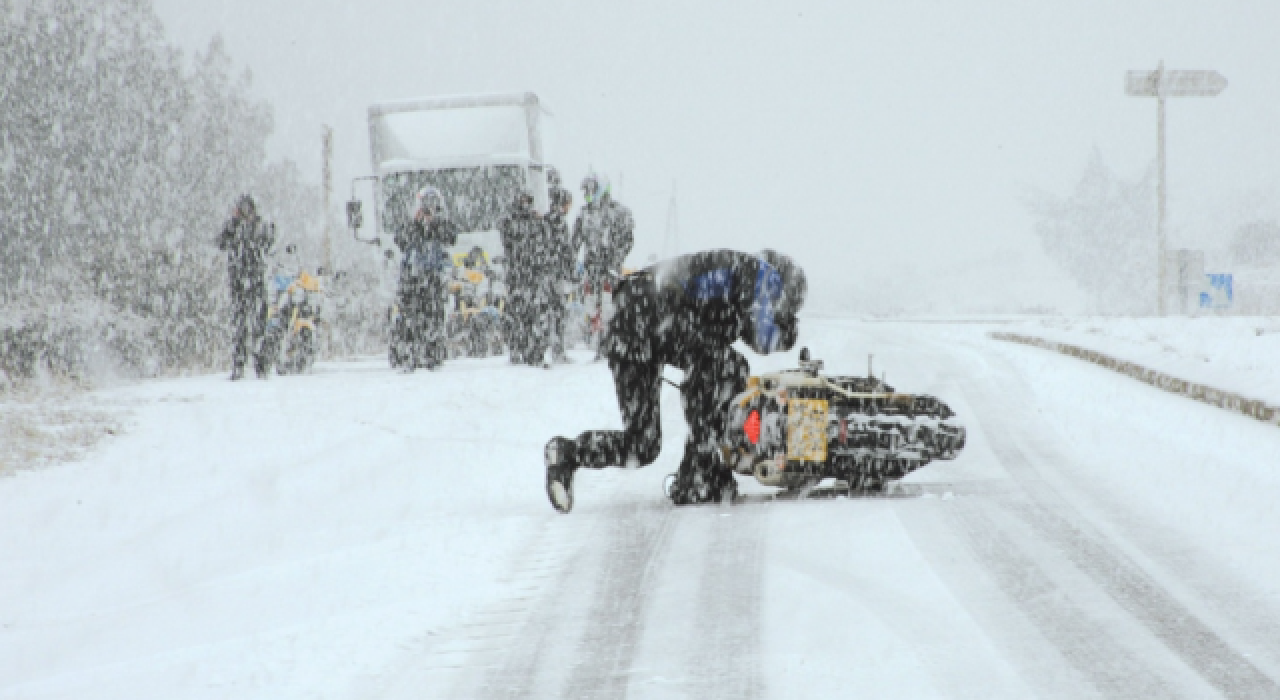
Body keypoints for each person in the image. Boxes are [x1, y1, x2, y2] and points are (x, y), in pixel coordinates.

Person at [542, 249, 807, 513]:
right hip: (653, 311)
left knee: (642, 444)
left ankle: (567, 453)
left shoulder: (735, 285)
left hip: (629, 326)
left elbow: (750, 334)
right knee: (724, 366)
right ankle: (700, 468)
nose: (778, 309)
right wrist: (790, 330)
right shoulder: (759, 270)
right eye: (784, 306)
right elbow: (764, 337)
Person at [394, 186, 458, 370]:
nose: (429, 208)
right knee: (409, 318)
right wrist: (416, 224)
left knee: (434, 317)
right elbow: (400, 240)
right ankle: (409, 354)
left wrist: (435, 223)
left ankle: (433, 354)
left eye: (433, 204)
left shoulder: (442, 225)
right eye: (426, 204)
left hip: (433, 280)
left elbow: (451, 237)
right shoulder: (410, 225)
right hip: (411, 280)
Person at [570, 172, 634, 354]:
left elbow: (628, 239)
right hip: (591, 268)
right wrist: (572, 262)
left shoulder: (618, 212)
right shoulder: (584, 213)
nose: (588, 195)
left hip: (610, 269)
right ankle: (597, 340)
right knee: (591, 306)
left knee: (609, 305)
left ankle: (611, 341)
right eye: (586, 192)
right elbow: (575, 241)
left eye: (591, 190)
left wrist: (616, 258)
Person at [217, 194, 275, 380]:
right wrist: (234, 227)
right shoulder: (233, 227)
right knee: (241, 326)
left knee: (259, 325)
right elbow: (221, 243)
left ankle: (261, 366)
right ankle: (240, 365)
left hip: (255, 281)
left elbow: (268, 243)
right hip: (240, 283)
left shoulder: (260, 227)